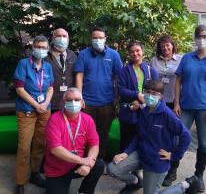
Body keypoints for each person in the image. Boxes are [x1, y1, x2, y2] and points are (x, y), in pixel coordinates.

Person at [107, 80, 192, 194]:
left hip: (157, 161)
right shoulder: (145, 110)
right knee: (112, 169)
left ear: (161, 96)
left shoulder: (167, 115)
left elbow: (186, 136)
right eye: (147, 92)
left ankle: (183, 187)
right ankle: (135, 181)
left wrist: (174, 156)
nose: (150, 96)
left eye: (154, 93)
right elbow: (138, 135)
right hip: (141, 153)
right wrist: (126, 153)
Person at [174, 25, 206, 193]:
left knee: (204, 144)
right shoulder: (187, 58)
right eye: (199, 36)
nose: (202, 39)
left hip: (205, 109)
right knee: (177, 139)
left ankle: (199, 175)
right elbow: (177, 81)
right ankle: (171, 170)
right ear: (195, 38)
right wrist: (176, 103)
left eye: (205, 36)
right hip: (186, 108)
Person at [13, 35, 54, 194]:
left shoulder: (48, 67)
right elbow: (19, 89)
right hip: (27, 111)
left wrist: (44, 104)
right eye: (38, 47)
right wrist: (36, 104)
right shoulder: (23, 64)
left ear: (48, 49)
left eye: (44, 48)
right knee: (24, 146)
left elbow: (51, 88)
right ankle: (20, 181)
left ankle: (35, 174)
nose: (41, 50)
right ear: (32, 47)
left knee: (40, 143)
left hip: (44, 110)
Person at [44, 87, 105, 194]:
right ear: (64, 102)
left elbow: (94, 145)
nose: (73, 102)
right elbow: (55, 150)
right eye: (69, 100)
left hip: (77, 165)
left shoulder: (87, 119)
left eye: (77, 100)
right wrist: (82, 161)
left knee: (98, 165)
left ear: (82, 103)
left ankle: (84, 191)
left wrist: (88, 164)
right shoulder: (54, 119)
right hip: (57, 169)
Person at [74, 26, 123, 159]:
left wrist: (117, 99)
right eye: (95, 38)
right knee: (83, 133)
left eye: (100, 38)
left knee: (103, 134)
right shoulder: (83, 54)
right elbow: (79, 76)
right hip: (87, 102)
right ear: (91, 39)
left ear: (105, 39)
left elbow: (119, 77)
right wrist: (79, 98)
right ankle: (82, 160)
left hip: (107, 102)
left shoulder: (114, 55)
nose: (98, 40)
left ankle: (98, 161)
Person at [150, 35, 182, 187]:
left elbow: (183, 81)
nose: (165, 48)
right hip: (158, 103)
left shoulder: (181, 60)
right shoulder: (154, 61)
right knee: (159, 134)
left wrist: (178, 102)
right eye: (162, 46)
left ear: (172, 45)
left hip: (174, 103)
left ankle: (172, 171)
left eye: (168, 45)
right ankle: (160, 166)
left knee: (174, 137)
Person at [118, 40, 159, 152]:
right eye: (132, 52)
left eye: (138, 50)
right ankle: (124, 166)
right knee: (126, 141)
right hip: (129, 111)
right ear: (129, 54)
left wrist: (141, 101)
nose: (135, 53)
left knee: (144, 139)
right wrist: (136, 95)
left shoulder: (152, 71)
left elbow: (156, 91)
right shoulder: (124, 71)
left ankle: (140, 166)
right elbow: (121, 90)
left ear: (142, 51)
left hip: (146, 111)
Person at [45, 28, 77, 112]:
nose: (62, 38)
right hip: (50, 102)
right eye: (58, 36)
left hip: (69, 102)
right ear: (53, 38)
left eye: (64, 36)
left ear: (68, 39)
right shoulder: (45, 56)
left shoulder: (73, 55)